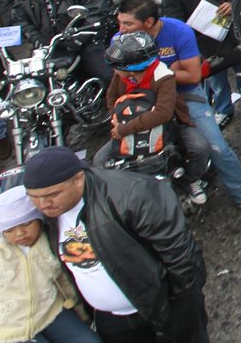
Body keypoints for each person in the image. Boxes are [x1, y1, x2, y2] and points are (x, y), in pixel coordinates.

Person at [24, 146, 210, 343]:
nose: (43, 205)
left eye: (52, 195)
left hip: (164, 309)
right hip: (111, 322)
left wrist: (182, 306)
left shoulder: (132, 194)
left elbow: (180, 254)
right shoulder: (45, 216)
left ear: (78, 179)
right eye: (33, 197)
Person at [114, 0, 241, 225]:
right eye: (120, 23)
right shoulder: (120, 40)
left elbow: (193, 76)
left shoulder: (178, 31)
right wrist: (169, 70)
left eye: (128, 24)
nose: (121, 30)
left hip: (185, 95)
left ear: (149, 22)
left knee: (216, 146)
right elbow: (119, 79)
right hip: (144, 99)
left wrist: (151, 72)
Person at [93, 31, 213, 205]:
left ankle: (190, 179)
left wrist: (124, 129)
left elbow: (163, 113)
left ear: (131, 68)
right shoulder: (120, 77)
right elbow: (111, 98)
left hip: (168, 126)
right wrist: (116, 118)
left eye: (117, 67)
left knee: (200, 148)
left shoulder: (163, 77)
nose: (114, 70)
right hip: (130, 127)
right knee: (100, 161)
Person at [0, 185, 100, 343]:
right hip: (8, 327)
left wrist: (82, 313)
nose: (20, 234)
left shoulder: (51, 239)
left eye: (26, 224)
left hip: (49, 311)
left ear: (39, 219)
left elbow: (64, 281)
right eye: (9, 230)